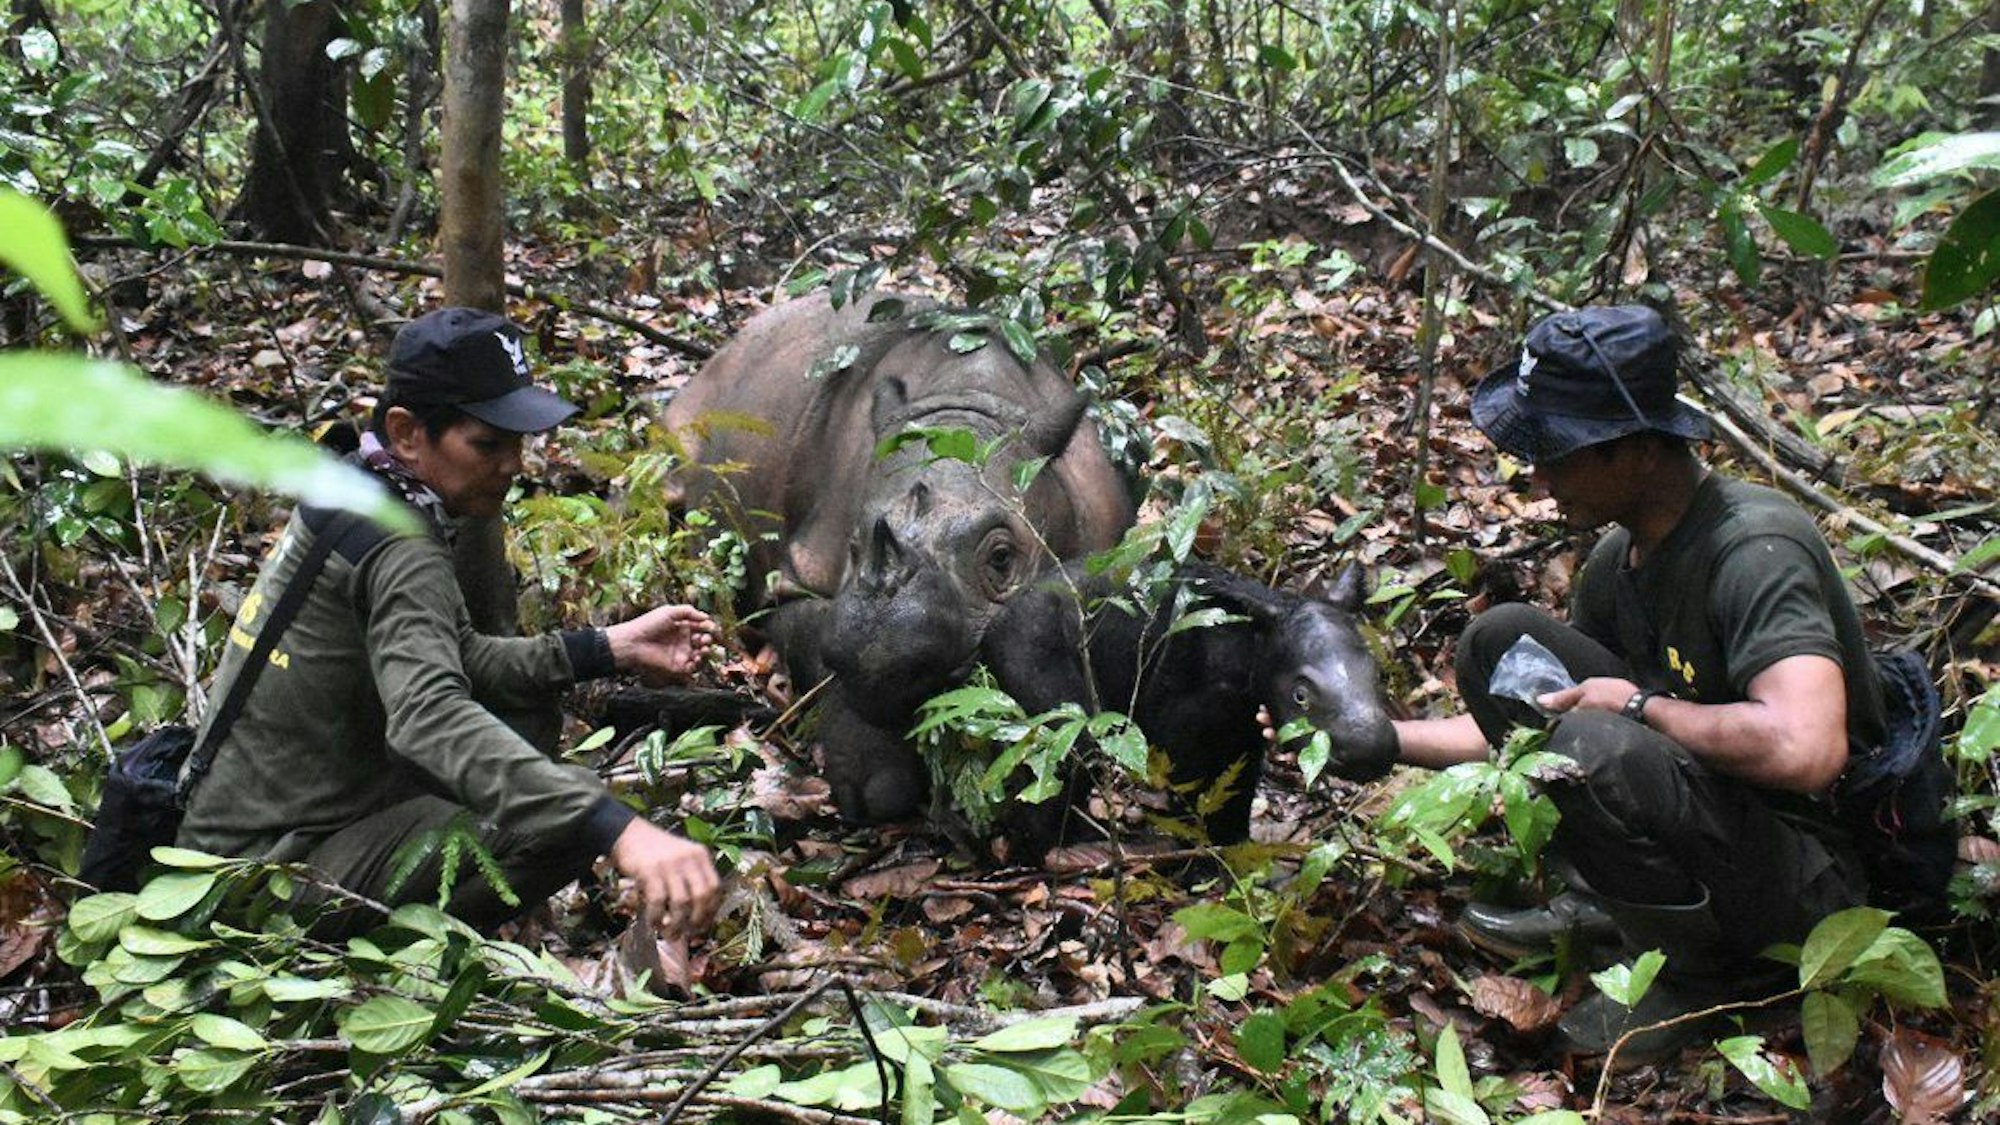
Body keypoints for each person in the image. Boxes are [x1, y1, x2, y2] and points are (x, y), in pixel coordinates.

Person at [1392, 305, 1879, 1059]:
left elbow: (1808, 747)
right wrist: (1382, 736)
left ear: (1641, 448)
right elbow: (1549, 713)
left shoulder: (1754, 549)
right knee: (1500, 643)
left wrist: (1642, 706)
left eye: (1559, 451)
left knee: (1595, 739)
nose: (1540, 474)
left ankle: (1708, 978)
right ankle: (1608, 902)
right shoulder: (1618, 562)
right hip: (1708, 818)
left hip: (1812, 876)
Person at [177, 307, 722, 940]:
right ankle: (374, 960)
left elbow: (452, 656)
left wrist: (606, 648)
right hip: (261, 878)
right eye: (488, 444)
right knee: (568, 813)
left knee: (529, 743)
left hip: (223, 843)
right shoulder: (400, 546)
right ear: (409, 433)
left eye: (517, 443)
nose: (513, 465)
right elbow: (428, 716)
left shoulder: (361, 486)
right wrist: (617, 829)